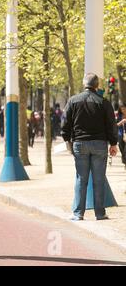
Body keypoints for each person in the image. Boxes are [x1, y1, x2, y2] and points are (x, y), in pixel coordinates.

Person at [61, 73, 118, 221]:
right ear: (97, 85)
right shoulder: (103, 102)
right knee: (99, 179)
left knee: (81, 178)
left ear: (83, 84)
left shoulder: (73, 101)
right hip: (100, 144)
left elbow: (65, 122)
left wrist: (67, 140)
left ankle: (78, 213)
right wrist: (113, 143)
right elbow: (111, 124)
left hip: (80, 144)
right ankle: (100, 213)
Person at [117, 102, 126, 169]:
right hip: (121, 134)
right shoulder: (119, 116)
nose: (123, 110)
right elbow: (116, 125)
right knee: (121, 148)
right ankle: (124, 161)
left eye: (124, 109)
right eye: (122, 109)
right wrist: (122, 121)